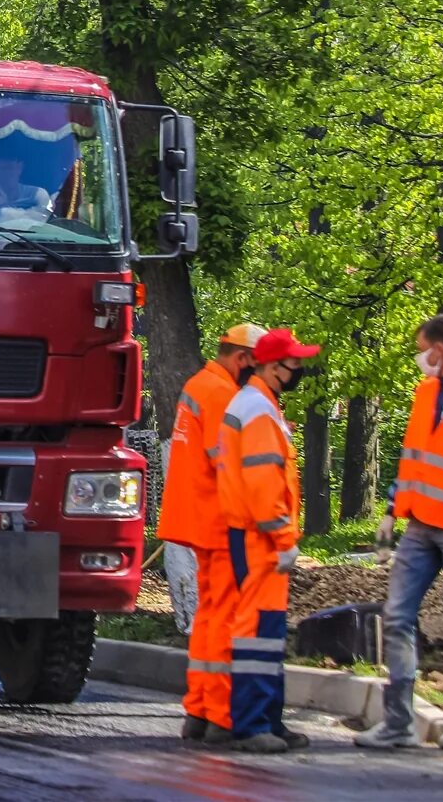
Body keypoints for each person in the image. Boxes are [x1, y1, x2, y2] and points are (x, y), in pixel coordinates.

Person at [159, 322, 267, 745]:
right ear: (242, 359)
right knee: (224, 618)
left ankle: (199, 709)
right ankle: (220, 714)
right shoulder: (223, 396)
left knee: (208, 617)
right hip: (221, 520)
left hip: (198, 519)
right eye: (255, 367)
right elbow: (230, 461)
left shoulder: (199, 385)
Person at [216, 327, 321, 753]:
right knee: (258, 632)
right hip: (260, 536)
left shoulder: (259, 404)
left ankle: (268, 721)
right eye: (294, 363)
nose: (298, 370)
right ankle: (252, 724)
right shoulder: (258, 409)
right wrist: (281, 535)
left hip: (255, 534)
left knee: (268, 631)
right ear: (273, 366)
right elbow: (262, 482)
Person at [356, 310, 443, 750]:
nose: (420, 358)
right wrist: (392, 510)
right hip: (420, 526)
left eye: (422, 350)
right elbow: (412, 456)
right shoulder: (426, 392)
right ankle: (399, 725)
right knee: (396, 618)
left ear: (440, 349)